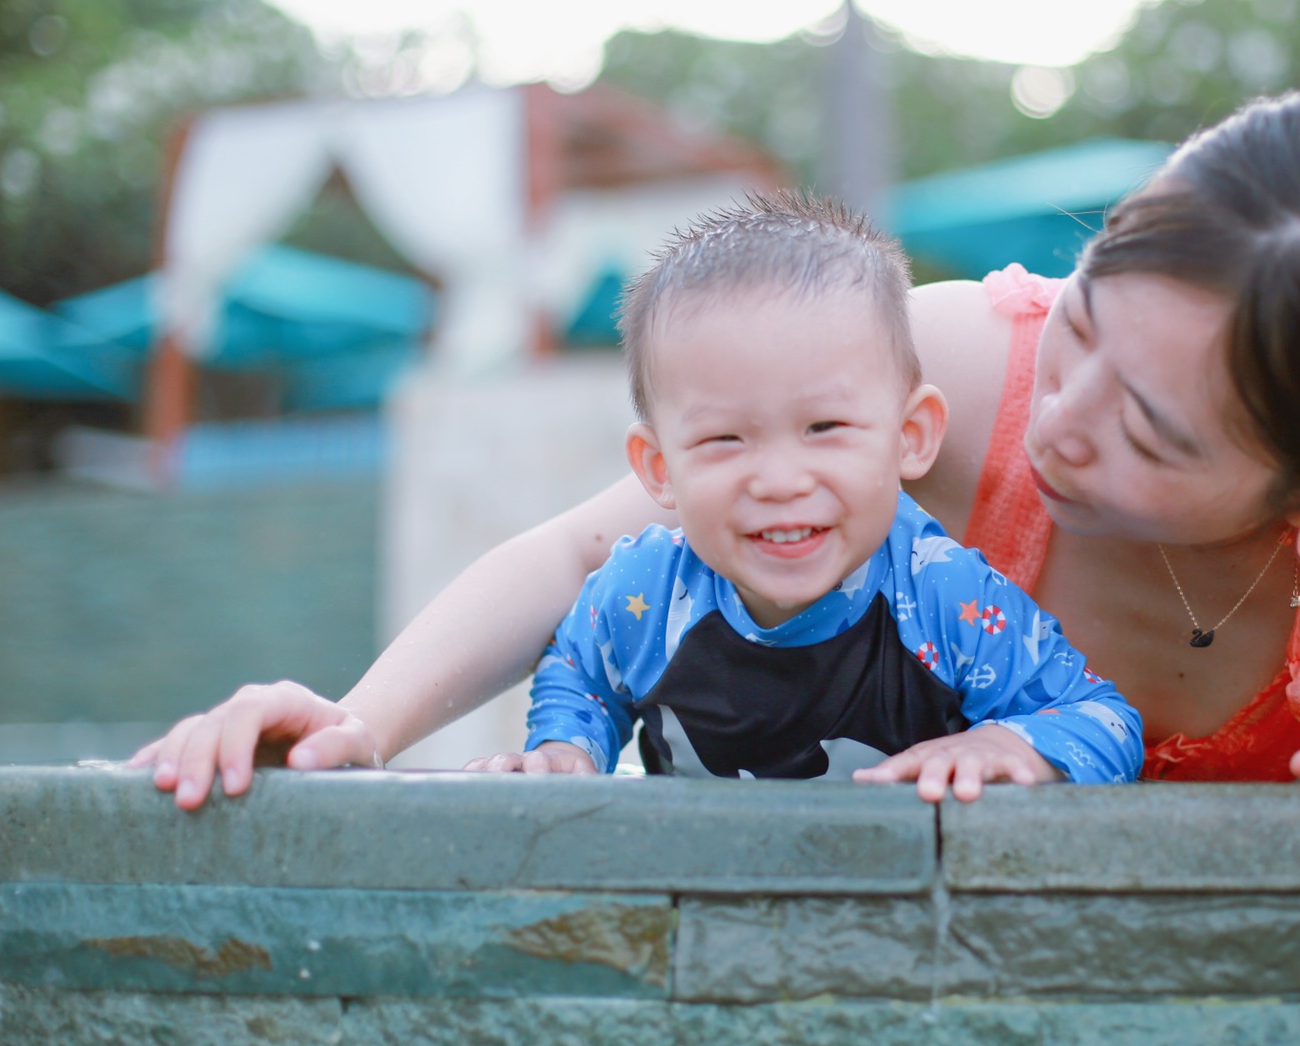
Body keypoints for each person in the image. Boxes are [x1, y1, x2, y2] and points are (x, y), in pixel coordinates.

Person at [133, 90, 1300, 875]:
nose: (1058, 425)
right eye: (1078, 320)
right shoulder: (944, 372)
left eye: (1150, 433)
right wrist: (360, 723)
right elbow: (592, 557)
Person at [469, 192, 1143, 794]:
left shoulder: (946, 600)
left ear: (910, 436)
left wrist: (1008, 744)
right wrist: (566, 747)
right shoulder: (645, 593)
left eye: (824, 428)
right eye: (725, 439)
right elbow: (580, 670)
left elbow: (1104, 721)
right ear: (659, 467)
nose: (781, 481)